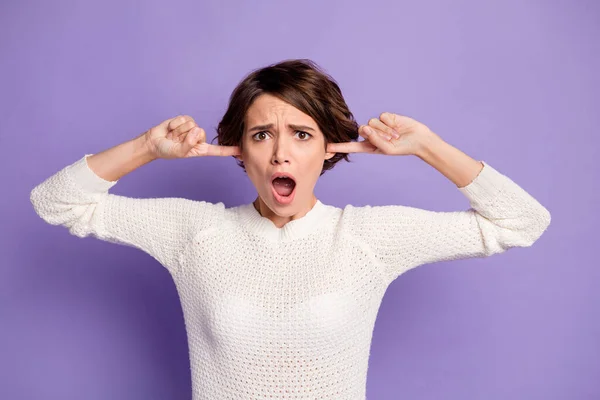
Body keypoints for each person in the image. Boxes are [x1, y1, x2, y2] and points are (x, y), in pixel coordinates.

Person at [30, 59, 551, 399]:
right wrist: (147, 146)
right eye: (261, 135)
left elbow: (521, 223)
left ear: (329, 148)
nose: (280, 152)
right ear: (239, 149)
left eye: (301, 134)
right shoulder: (194, 232)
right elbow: (56, 202)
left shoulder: (367, 238)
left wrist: (426, 145)